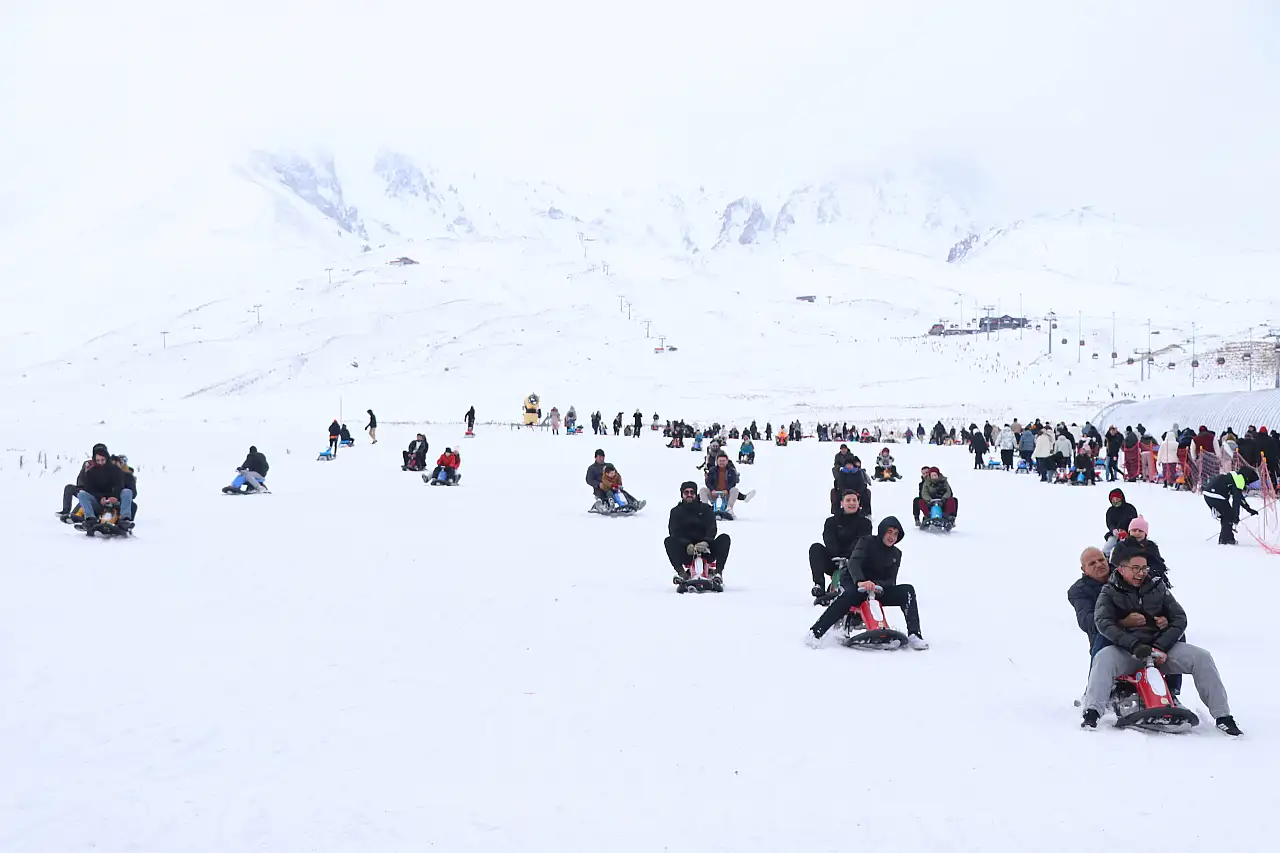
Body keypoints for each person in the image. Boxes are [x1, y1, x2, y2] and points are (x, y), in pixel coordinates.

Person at [1080, 544, 1241, 735]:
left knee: (1202, 657)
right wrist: (1133, 644)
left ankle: (1223, 716)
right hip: (1128, 651)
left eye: (1144, 568)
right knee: (1104, 657)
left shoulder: (1157, 586)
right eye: (1136, 569)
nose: (1141, 573)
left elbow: (1180, 618)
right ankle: (1092, 712)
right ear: (1122, 569)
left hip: (1159, 650)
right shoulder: (1108, 592)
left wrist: (1160, 645)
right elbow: (1102, 622)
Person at [805, 517, 928, 650]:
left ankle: (915, 634)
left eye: (895, 534)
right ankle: (815, 632)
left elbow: (891, 579)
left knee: (907, 590)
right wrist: (861, 581)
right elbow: (854, 563)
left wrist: (875, 584)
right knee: (847, 596)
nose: (892, 537)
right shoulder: (866, 542)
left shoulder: (896, 554)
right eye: (889, 532)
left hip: (876, 589)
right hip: (854, 583)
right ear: (882, 532)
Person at [808, 491, 872, 598]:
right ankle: (819, 584)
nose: (851, 503)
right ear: (842, 503)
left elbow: (862, 540)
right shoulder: (831, 521)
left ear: (858, 503)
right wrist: (836, 555)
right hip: (834, 559)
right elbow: (829, 539)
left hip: (855, 561)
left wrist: (849, 556)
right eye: (848, 500)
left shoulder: (865, 523)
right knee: (816, 548)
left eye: (854, 500)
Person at [664, 481, 731, 581]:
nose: (689, 495)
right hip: (687, 551)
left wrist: (706, 542)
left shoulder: (706, 509)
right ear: (682, 495)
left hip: (706, 549)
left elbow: (711, 528)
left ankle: (718, 573)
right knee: (668, 541)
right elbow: (674, 532)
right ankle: (682, 574)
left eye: (692, 492)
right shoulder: (676, 511)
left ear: (696, 494)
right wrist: (686, 544)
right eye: (686, 492)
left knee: (725, 538)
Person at [74, 443, 128, 533]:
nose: (100, 463)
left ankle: (124, 520)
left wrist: (114, 497)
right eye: (98, 460)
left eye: (102, 460)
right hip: (99, 501)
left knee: (127, 492)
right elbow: (90, 489)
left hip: (115, 501)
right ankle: (90, 519)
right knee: (82, 494)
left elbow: (119, 485)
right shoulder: (91, 472)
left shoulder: (115, 469)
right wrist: (100, 498)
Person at [1202, 471, 1258, 545]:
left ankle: (1229, 538)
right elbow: (1236, 500)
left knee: (1226, 516)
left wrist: (1248, 509)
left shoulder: (1235, 476)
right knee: (1229, 516)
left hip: (1207, 494)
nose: (1248, 485)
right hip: (1216, 496)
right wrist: (1235, 516)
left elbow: (1239, 497)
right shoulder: (1240, 480)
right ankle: (1224, 540)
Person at [1102, 488, 1138, 556]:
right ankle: (1106, 556)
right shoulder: (1110, 511)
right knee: (1110, 543)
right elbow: (1109, 523)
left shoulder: (1130, 508)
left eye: (1117, 499)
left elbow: (1133, 520)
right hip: (1115, 534)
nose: (1115, 501)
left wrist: (1125, 530)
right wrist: (1113, 530)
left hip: (1129, 533)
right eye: (1113, 500)